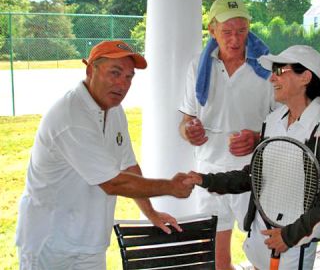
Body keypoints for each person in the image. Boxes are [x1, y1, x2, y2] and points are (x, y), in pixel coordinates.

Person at [16, 40, 194, 270]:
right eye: (115, 73)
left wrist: (151, 213)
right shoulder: (71, 117)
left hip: (90, 242)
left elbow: (128, 166)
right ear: (90, 70)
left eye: (129, 77)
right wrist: (170, 187)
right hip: (50, 242)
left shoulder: (114, 109)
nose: (122, 84)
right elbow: (112, 183)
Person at [186, 45, 320, 270]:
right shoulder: (272, 120)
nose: (272, 78)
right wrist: (206, 180)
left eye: (280, 71)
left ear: (305, 77)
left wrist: (289, 236)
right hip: (260, 235)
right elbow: (254, 175)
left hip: (293, 244)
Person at [178, 0, 275, 269]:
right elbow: (186, 120)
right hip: (208, 172)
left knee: (264, 256)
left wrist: (257, 138)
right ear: (212, 30)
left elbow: (286, 124)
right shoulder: (198, 67)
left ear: (250, 28)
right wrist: (189, 131)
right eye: (227, 32)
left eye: (242, 31)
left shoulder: (267, 68)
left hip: (253, 175)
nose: (235, 40)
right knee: (216, 260)